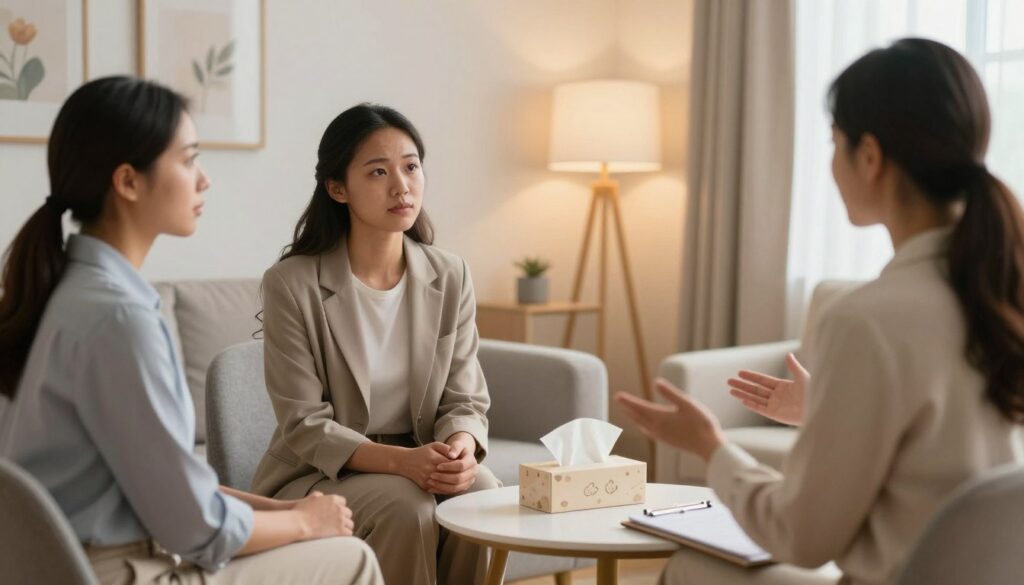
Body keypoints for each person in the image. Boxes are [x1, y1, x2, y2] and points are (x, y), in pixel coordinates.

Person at [617, 38, 1024, 585]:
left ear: (871, 156)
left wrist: (710, 447)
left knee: (688, 565)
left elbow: (801, 539)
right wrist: (828, 409)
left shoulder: (869, 320)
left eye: (835, 143)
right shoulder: (1001, 290)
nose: (832, 164)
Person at [0, 76, 383, 585]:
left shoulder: (65, 291)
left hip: (64, 561)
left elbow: (166, 486)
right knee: (350, 557)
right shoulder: (119, 318)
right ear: (129, 181)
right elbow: (194, 528)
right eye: (187, 159)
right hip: (118, 570)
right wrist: (302, 521)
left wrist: (281, 513)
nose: (204, 180)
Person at [250, 103, 498, 585]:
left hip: (422, 455)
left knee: (481, 496)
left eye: (411, 166)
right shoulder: (292, 283)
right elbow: (304, 423)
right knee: (405, 507)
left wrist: (461, 447)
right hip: (318, 473)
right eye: (378, 172)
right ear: (338, 189)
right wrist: (403, 463)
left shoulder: (450, 274)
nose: (401, 186)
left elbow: (465, 397)